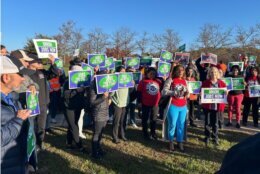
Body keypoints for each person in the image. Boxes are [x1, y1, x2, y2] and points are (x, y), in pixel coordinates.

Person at [1, 55, 33, 174]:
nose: (24, 79)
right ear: (6, 77)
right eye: (20, 75)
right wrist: (18, 120)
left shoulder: (13, 97)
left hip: (18, 163)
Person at [162, 65, 189, 152]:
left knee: (181, 124)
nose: (181, 72)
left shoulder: (185, 81)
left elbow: (188, 92)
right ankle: (171, 141)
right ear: (176, 71)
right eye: (179, 70)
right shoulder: (171, 80)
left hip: (183, 106)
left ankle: (180, 141)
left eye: (182, 70)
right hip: (173, 105)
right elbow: (164, 91)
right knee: (172, 124)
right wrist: (174, 92)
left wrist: (187, 94)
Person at [62, 65, 87, 152]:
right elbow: (65, 95)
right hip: (69, 107)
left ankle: (68, 144)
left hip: (78, 107)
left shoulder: (82, 82)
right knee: (74, 126)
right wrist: (76, 90)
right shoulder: (67, 82)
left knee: (72, 125)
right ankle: (79, 145)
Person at [88, 70, 110, 159]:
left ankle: (98, 148)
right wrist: (103, 97)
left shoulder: (105, 84)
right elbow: (92, 102)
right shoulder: (93, 86)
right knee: (97, 133)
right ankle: (94, 153)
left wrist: (109, 97)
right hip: (98, 112)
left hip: (105, 111)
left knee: (101, 133)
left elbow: (109, 93)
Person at [201, 67, 227, 145]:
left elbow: (224, 93)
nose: (213, 74)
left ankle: (215, 137)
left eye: (215, 72)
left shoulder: (222, 83)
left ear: (217, 74)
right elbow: (202, 92)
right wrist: (201, 94)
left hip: (217, 106)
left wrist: (226, 93)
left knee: (215, 123)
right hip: (208, 106)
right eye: (211, 72)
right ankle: (207, 137)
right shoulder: (205, 83)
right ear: (209, 74)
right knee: (207, 122)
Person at [137, 67, 162, 140]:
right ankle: (145, 133)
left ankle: (153, 133)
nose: (152, 75)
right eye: (150, 73)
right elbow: (139, 93)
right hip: (145, 103)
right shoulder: (142, 82)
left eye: (154, 74)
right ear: (147, 74)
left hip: (155, 104)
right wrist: (139, 102)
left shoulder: (158, 81)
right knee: (145, 119)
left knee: (153, 119)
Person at [111, 66, 130, 143]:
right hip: (117, 103)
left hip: (125, 103)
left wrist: (133, 84)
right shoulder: (115, 81)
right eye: (121, 71)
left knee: (123, 121)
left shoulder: (127, 80)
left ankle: (122, 134)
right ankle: (114, 137)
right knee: (116, 121)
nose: (123, 73)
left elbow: (129, 92)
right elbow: (111, 93)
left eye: (124, 72)